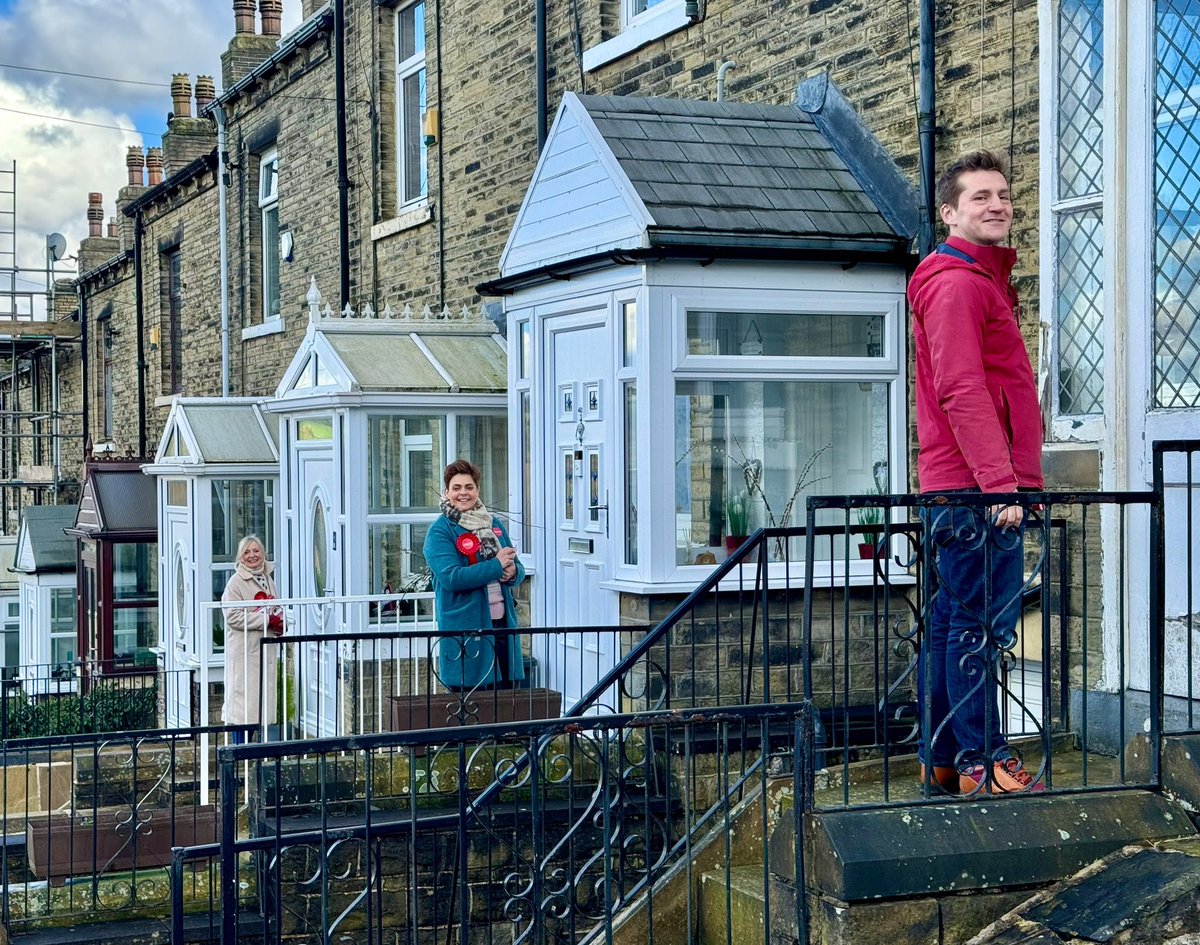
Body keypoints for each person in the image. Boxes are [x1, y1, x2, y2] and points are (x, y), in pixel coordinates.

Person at [907, 150, 1045, 795]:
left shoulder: (973, 278)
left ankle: (944, 757)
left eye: (1003, 195)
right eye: (980, 196)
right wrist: (1001, 485)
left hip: (965, 484)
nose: (997, 205)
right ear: (949, 211)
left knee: (950, 622)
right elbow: (962, 388)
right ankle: (982, 763)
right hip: (975, 488)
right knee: (977, 628)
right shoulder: (958, 282)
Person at [423, 459, 526, 690]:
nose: (463, 493)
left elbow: (518, 569)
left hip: (502, 625)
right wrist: (496, 567)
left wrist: (512, 572)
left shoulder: (494, 523)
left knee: (507, 698)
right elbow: (452, 578)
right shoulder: (439, 531)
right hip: (466, 629)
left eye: (469, 487)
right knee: (473, 703)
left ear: (477, 490)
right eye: (456, 488)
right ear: (446, 492)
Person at [221, 535, 284, 733]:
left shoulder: (268, 579)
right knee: (242, 711)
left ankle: (257, 758)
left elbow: (275, 607)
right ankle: (239, 756)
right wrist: (265, 620)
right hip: (245, 654)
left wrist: (281, 622)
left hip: (264, 652)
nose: (252, 556)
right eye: (247, 552)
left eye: (256, 551)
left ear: (263, 553)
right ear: (240, 557)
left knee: (261, 709)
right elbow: (232, 617)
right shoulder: (235, 583)